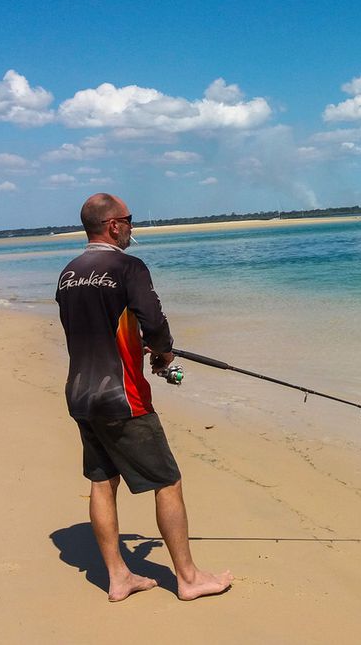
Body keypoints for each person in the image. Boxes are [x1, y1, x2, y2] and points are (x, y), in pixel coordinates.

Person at [56, 193, 233, 602]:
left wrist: (140, 345)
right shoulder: (127, 266)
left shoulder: (68, 273)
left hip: (80, 393)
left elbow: (92, 328)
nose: (133, 227)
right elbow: (154, 322)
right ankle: (188, 579)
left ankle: (119, 577)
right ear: (113, 225)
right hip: (122, 397)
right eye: (130, 220)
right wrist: (164, 352)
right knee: (167, 481)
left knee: (103, 483)